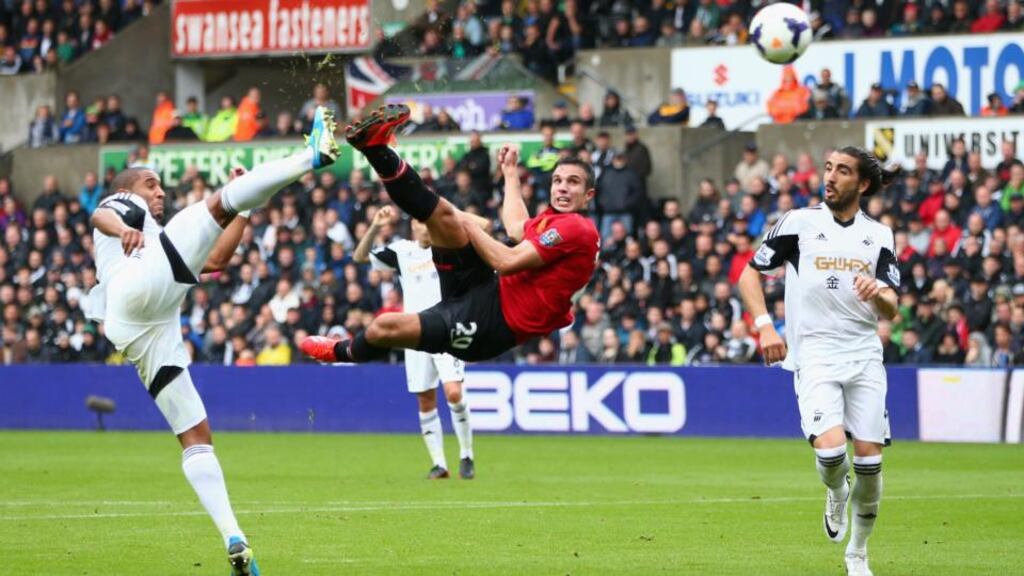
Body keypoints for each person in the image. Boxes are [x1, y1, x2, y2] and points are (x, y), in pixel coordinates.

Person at [85, 106, 340, 576]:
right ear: (129, 190)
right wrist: (126, 229)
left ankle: (235, 540)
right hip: (133, 288)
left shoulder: (156, 234)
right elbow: (102, 215)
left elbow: (218, 259)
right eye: (150, 185)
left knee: (196, 437)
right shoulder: (126, 208)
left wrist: (244, 208)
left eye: (159, 187)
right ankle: (311, 156)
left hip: (147, 324)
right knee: (217, 202)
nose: (158, 192)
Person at [301, 104, 600, 366]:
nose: (562, 187)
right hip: (487, 286)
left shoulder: (578, 228)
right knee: (443, 216)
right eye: (558, 180)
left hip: (492, 325)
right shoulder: (554, 220)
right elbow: (515, 228)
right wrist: (510, 173)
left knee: (384, 327)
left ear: (588, 196)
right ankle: (375, 148)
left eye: (572, 183)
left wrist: (468, 223)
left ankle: (340, 352)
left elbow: (507, 260)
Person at [738, 146, 901, 576]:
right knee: (832, 455)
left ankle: (858, 554)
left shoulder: (879, 235)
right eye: (828, 168)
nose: (829, 177)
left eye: (842, 171)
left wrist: (878, 293)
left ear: (862, 184)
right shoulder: (800, 223)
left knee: (869, 463)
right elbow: (749, 274)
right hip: (814, 355)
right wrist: (764, 325)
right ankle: (835, 492)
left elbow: (892, 308)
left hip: (864, 355)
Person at [353, 206, 477, 480]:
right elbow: (360, 257)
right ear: (414, 226)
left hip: (447, 330)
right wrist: (375, 227)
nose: (428, 227)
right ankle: (439, 463)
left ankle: (467, 455)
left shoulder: (448, 246)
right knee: (425, 398)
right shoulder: (402, 251)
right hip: (415, 332)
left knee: (454, 393)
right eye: (423, 223)